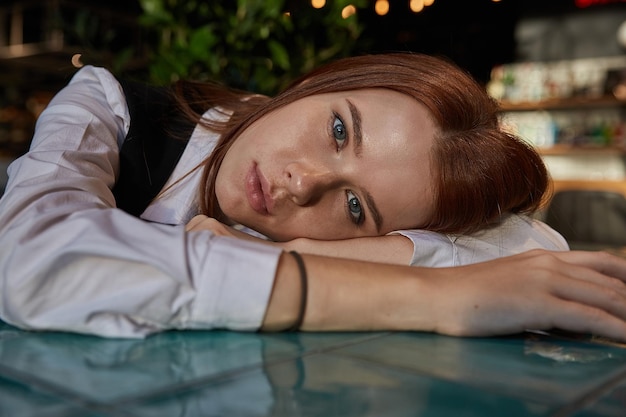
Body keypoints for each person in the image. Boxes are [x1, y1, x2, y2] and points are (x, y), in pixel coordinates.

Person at [0, 53, 625, 341]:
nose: (304, 182)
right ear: (314, 85)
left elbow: (532, 245)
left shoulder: (296, 234)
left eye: (355, 208)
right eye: (337, 130)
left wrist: (294, 247)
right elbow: (31, 258)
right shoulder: (106, 106)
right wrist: (431, 297)